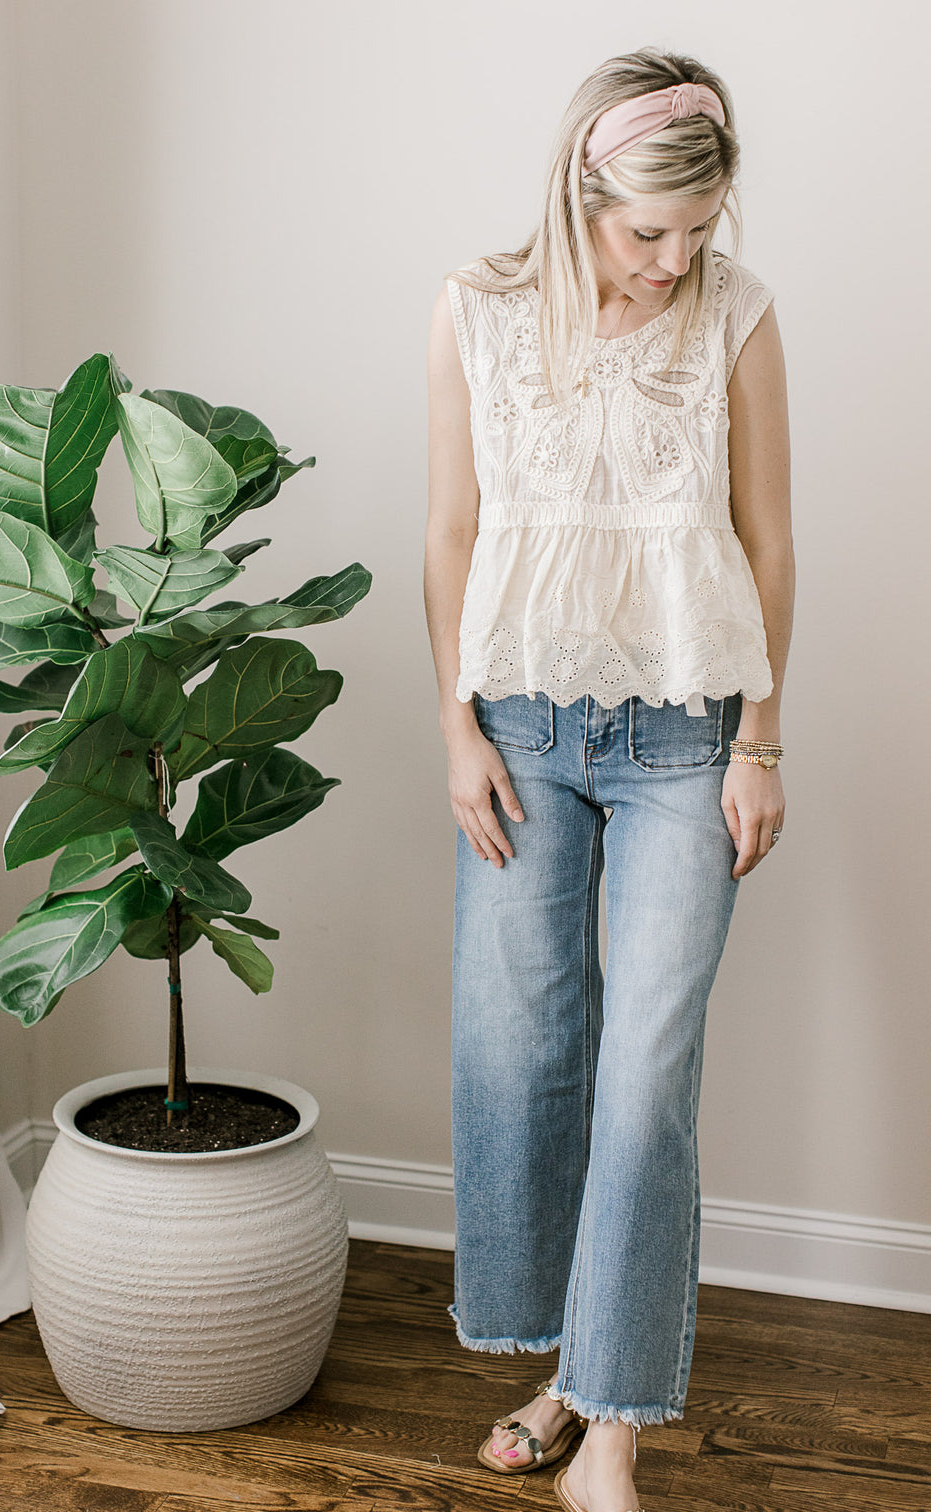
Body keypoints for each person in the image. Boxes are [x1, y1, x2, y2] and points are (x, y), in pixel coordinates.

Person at [423, 46, 794, 1512]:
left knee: (647, 1080)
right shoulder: (477, 310)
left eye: (697, 231)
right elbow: (450, 534)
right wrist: (455, 730)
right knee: (525, 1058)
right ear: (584, 191)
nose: (671, 260)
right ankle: (569, 1366)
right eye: (647, 231)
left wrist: (761, 736)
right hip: (515, 730)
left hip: (687, 741)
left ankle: (615, 1426)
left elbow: (767, 541)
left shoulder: (739, 317)